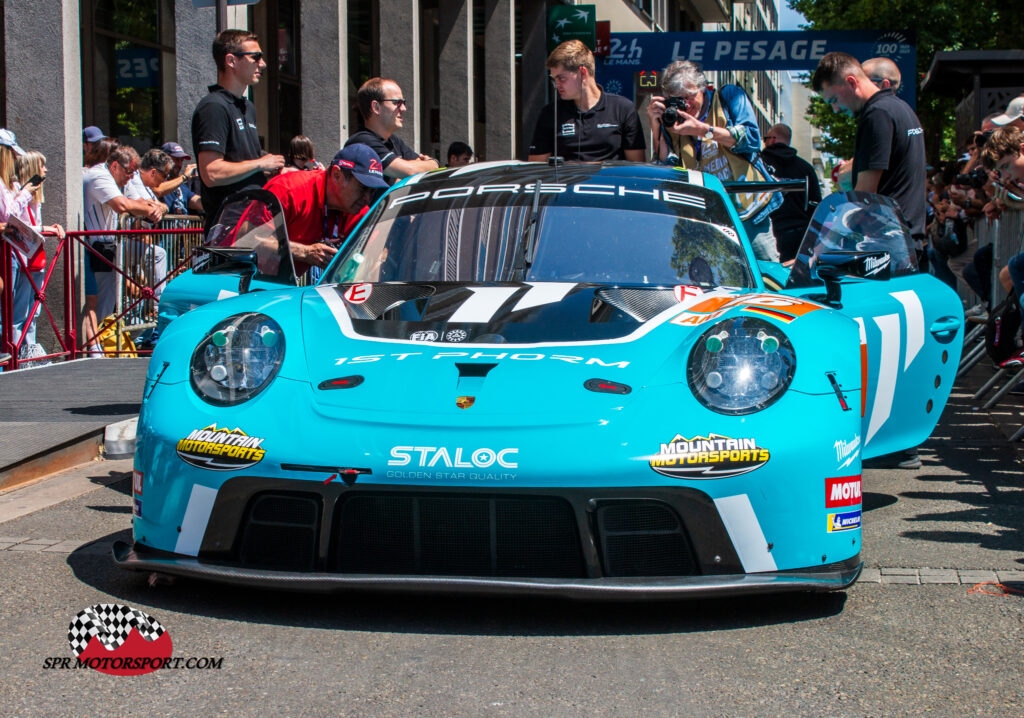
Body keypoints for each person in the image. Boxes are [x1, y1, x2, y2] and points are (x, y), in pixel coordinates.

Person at [813, 52, 927, 470]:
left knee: (879, 340)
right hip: (908, 234)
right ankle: (900, 439)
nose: (836, 107)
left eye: (833, 98)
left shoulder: (876, 115)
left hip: (889, 242)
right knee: (902, 338)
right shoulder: (900, 107)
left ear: (849, 80)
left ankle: (894, 441)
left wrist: (843, 189)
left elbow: (865, 192)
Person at [647, 60, 782, 261]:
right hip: (706, 220)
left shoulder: (728, 97)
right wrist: (655, 125)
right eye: (678, 100)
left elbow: (752, 139)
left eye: (690, 96)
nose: (687, 105)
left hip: (748, 214)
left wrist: (703, 130)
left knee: (767, 274)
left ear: (703, 87)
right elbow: (669, 166)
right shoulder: (672, 122)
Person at [192, 29, 284, 234]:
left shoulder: (247, 107)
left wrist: (271, 166)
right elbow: (211, 173)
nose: (263, 64)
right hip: (228, 229)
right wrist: (260, 163)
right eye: (256, 57)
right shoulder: (213, 106)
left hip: (252, 221)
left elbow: (241, 158)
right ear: (231, 61)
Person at [256, 144, 386, 275]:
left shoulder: (357, 210)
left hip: (289, 286)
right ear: (336, 175)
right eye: (363, 189)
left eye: (372, 191)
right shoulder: (287, 190)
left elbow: (376, 255)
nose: (367, 198)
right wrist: (305, 252)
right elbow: (250, 240)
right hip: (249, 282)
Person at [82, 146, 167, 331]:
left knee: (156, 254)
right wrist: (150, 210)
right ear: (115, 166)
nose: (131, 177)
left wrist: (156, 207)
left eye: (134, 172)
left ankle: (158, 308)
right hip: (95, 246)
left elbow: (140, 201)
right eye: (129, 172)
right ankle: (99, 344)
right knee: (99, 299)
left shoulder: (121, 178)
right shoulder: (99, 176)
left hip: (112, 244)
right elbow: (122, 205)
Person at [528, 40, 645, 163]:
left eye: (561, 78)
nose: (557, 85)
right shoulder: (550, 113)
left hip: (610, 180)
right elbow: (536, 168)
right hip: (567, 181)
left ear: (583, 73)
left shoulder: (623, 109)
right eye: (554, 79)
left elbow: (636, 167)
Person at [8, 150, 66, 357]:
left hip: (34, 257)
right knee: (20, 312)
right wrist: (46, 229)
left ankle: (29, 354)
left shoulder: (35, 196)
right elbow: (15, 221)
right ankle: (16, 356)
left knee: (33, 311)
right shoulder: (17, 191)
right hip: (21, 257)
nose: (46, 170)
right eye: (42, 166)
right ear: (32, 168)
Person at [345, 77, 439, 182]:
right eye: (396, 103)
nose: (403, 108)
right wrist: (431, 163)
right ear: (376, 107)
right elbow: (412, 171)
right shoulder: (362, 143)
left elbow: (427, 171)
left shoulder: (394, 140)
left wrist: (432, 163)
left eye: (403, 102)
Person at [761, 123, 823, 261]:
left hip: (766, 233)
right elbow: (816, 205)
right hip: (799, 234)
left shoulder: (758, 164)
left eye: (765, 138)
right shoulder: (806, 168)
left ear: (772, 139)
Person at [123, 149, 173, 304]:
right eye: (164, 176)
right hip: (119, 241)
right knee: (159, 255)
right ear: (153, 172)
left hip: (135, 242)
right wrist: (158, 207)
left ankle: (154, 306)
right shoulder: (135, 180)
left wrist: (161, 207)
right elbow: (149, 207)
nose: (164, 180)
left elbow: (159, 206)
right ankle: (159, 306)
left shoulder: (146, 186)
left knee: (138, 288)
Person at [158, 142, 202, 215]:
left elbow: (196, 201)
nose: (179, 164)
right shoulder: (156, 181)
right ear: (164, 159)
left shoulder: (182, 186)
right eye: (176, 159)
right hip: (165, 226)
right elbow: (159, 191)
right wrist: (184, 176)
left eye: (181, 160)